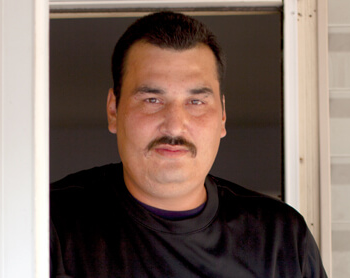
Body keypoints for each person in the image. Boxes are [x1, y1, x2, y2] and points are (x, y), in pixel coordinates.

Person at [50, 11, 327, 277]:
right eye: (152, 100)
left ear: (222, 116)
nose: (174, 125)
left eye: (196, 102)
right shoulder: (50, 226)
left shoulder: (281, 240)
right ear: (113, 110)